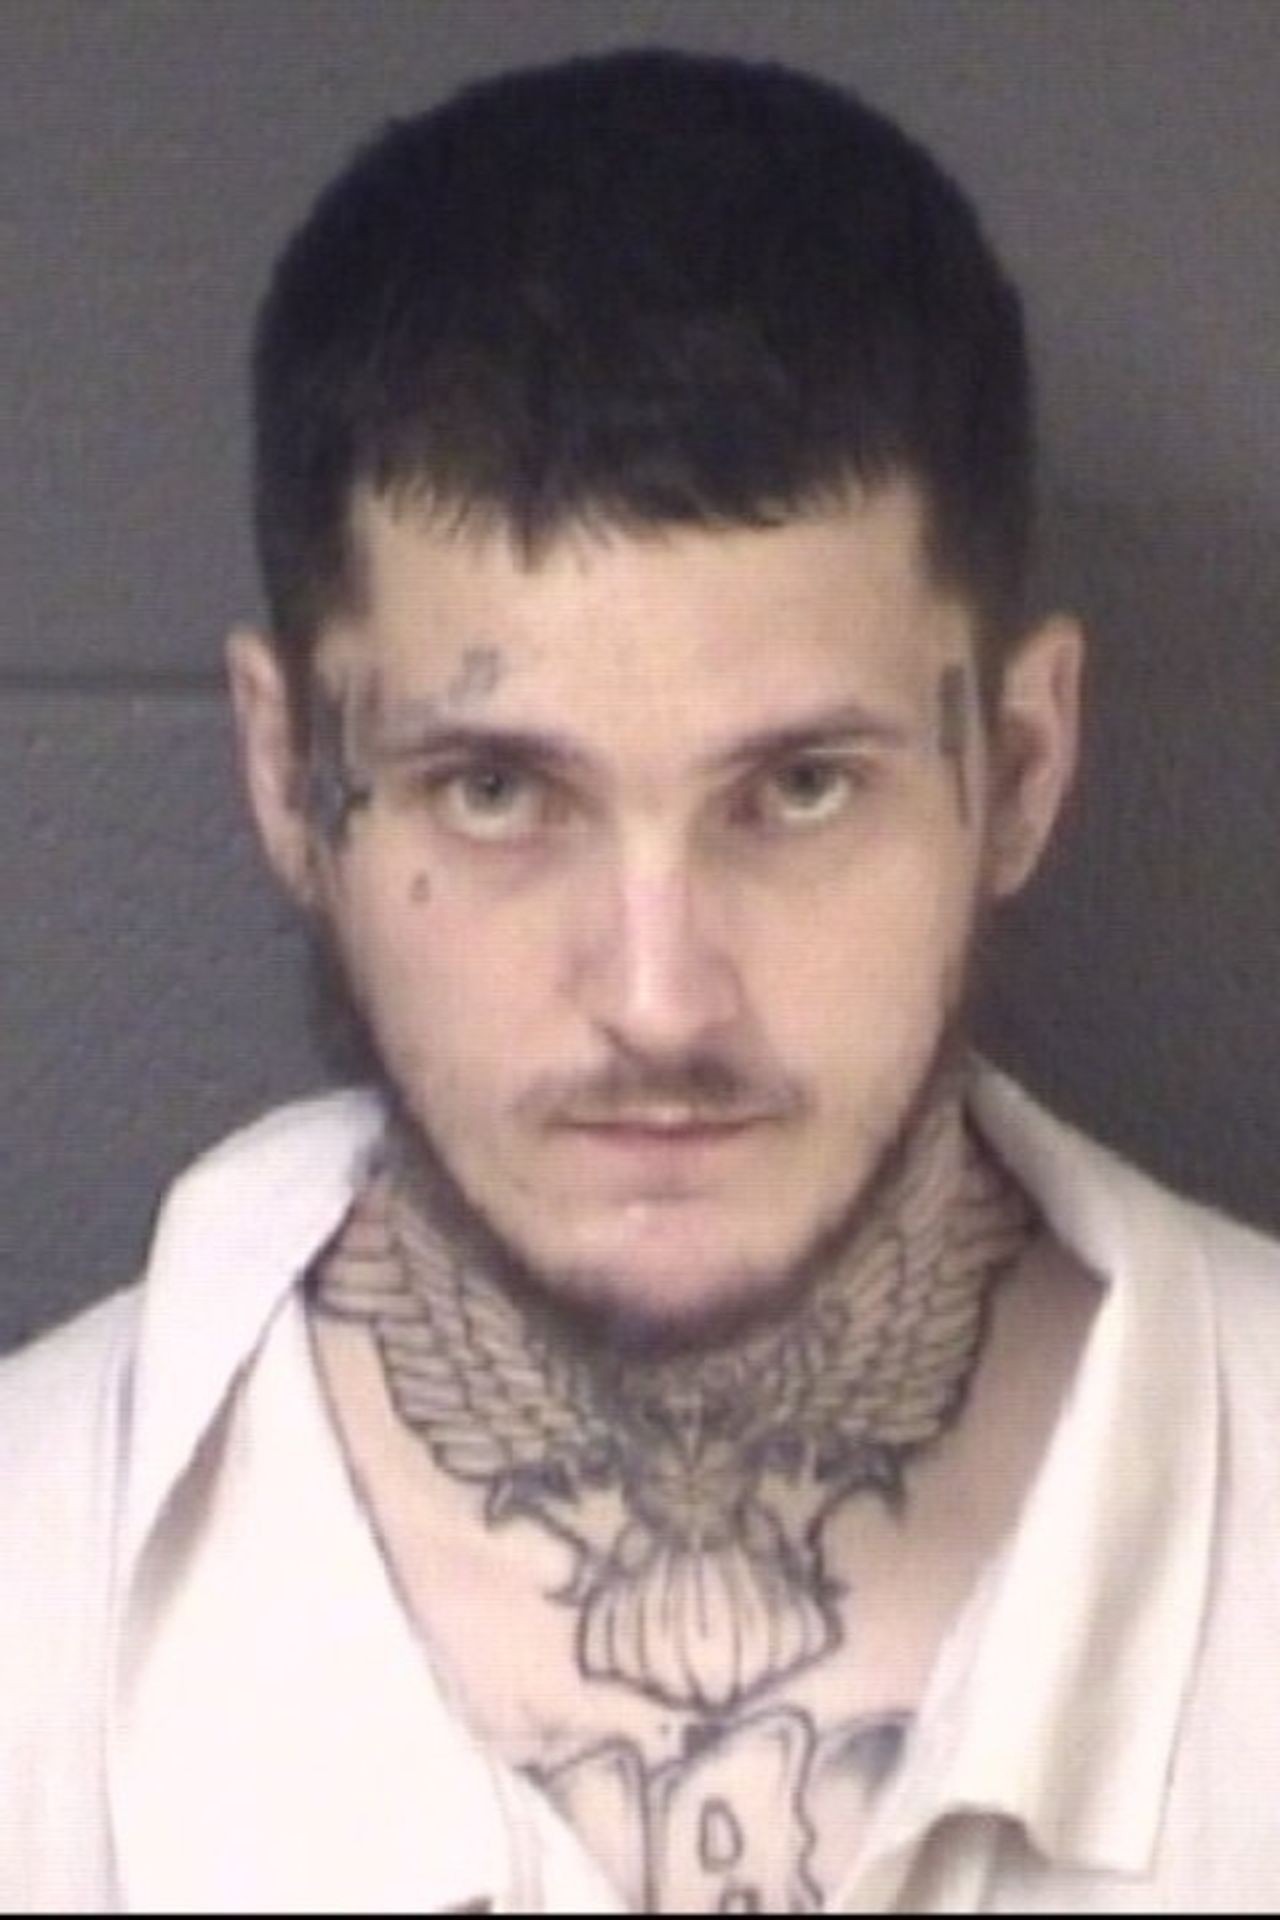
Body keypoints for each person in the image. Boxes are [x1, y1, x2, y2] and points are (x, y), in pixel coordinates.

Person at [3, 44, 1278, 1914]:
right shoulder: (31, 1602)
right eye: (497, 792)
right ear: (287, 778)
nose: (662, 1002)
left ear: (1021, 767)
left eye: (802, 788)